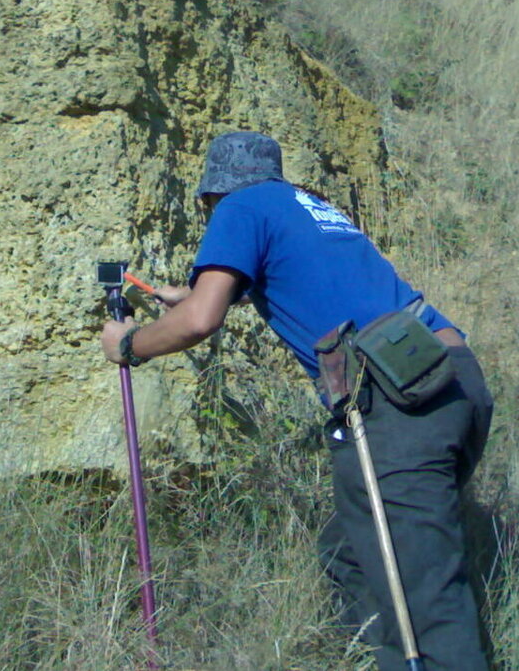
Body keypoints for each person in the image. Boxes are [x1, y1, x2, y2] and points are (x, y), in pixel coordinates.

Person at [100, 131, 493, 671]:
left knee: (422, 602)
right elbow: (287, 281)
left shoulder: (239, 206)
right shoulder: (307, 207)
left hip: (398, 404)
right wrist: (184, 295)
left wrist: (128, 344)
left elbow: (199, 321)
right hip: (453, 381)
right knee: (349, 554)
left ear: (216, 192)